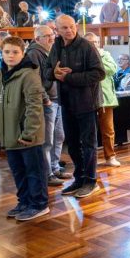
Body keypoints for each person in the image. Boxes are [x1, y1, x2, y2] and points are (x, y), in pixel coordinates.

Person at [0, 36, 48, 221]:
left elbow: (34, 106)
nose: (10, 56)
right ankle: (24, 201)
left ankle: (39, 204)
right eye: (7, 52)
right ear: (1, 52)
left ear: (23, 54)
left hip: (26, 135)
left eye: (15, 52)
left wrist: (29, 133)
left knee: (34, 171)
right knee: (18, 172)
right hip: (9, 135)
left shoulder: (29, 74)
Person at [45, 15, 105, 199]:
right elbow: (47, 71)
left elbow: (99, 73)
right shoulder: (56, 46)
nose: (69, 30)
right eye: (64, 28)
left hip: (86, 103)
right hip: (66, 102)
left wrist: (69, 77)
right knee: (71, 144)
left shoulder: (87, 46)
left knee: (88, 144)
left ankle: (90, 180)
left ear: (76, 26)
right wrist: (54, 73)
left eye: (71, 27)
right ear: (57, 29)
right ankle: (79, 178)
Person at [25, 25, 68, 186]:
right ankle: (47, 173)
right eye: (47, 35)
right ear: (37, 39)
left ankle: (55, 167)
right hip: (48, 102)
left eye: (52, 34)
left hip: (58, 100)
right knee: (47, 141)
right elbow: (34, 80)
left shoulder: (51, 51)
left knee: (59, 136)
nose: (51, 37)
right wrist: (46, 99)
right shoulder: (33, 53)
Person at [84, 33, 120, 167]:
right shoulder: (82, 56)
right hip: (88, 98)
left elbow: (112, 69)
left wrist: (97, 62)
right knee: (89, 130)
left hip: (106, 99)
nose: (95, 44)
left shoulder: (106, 55)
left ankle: (110, 156)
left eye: (97, 42)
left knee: (108, 129)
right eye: (91, 42)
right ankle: (89, 159)